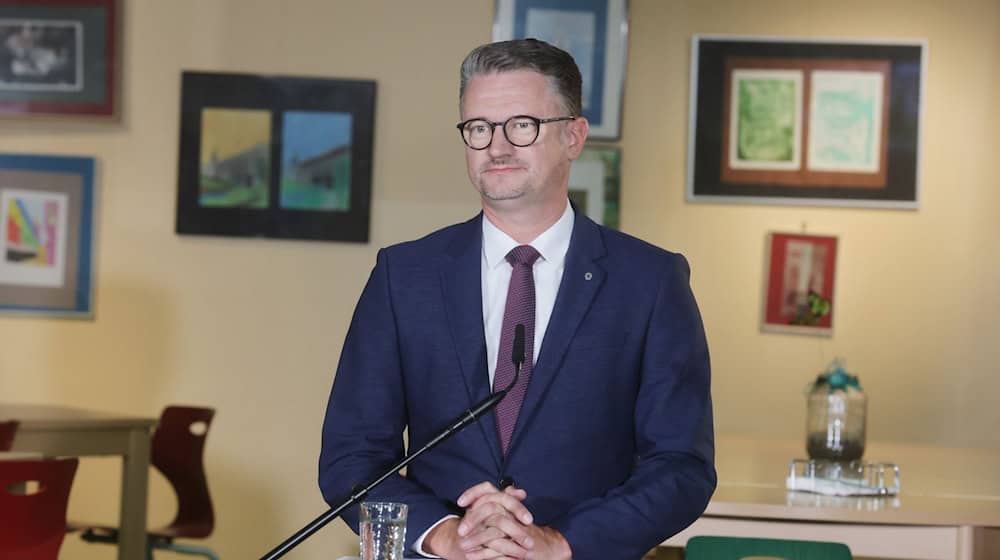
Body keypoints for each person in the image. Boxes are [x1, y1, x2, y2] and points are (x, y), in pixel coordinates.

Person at [319, 38, 715, 560]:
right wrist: (444, 535)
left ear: (574, 136)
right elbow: (353, 456)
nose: (496, 146)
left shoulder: (651, 280)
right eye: (479, 128)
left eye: (522, 125)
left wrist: (562, 542)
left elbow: (682, 464)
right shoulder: (405, 276)